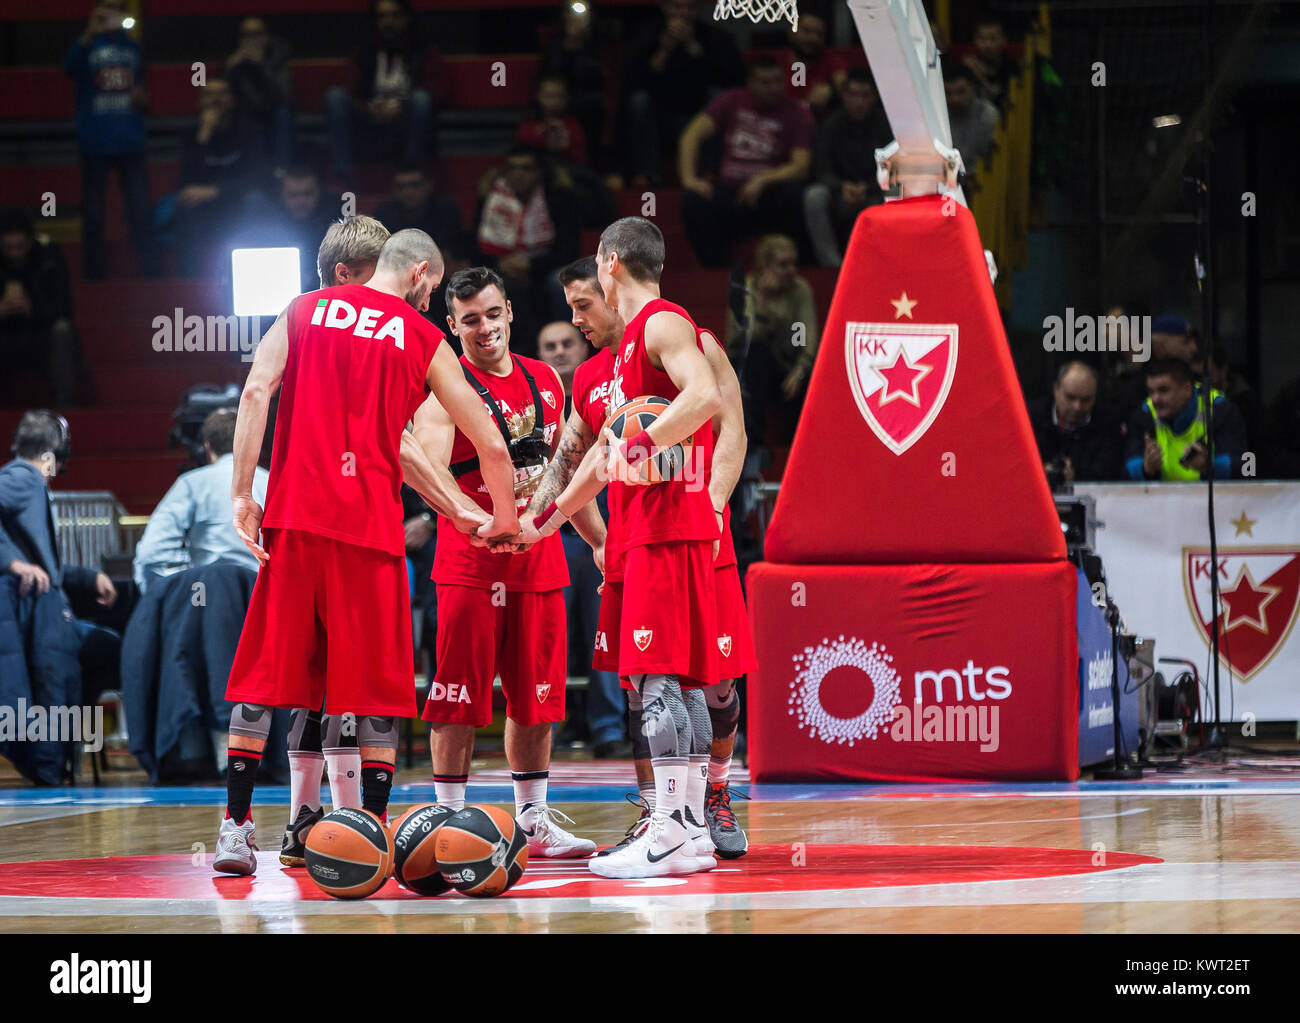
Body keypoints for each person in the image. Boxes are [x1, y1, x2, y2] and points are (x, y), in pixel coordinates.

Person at [213, 229, 518, 875]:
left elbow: (254, 392)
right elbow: (487, 440)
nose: (430, 295)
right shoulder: (418, 333)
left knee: (268, 676)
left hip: (294, 522)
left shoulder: (302, 309)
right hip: (372, 534)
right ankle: (371, 834)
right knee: (374, 690)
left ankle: (236, 831)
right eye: (432, 286)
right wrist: (501, 518)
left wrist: (244, 493)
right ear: (421, 272)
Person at [515, 218, 724, 878]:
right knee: (676, 680)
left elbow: (707, 395)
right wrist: (540, 522)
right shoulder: (622, 350)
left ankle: (663, 830)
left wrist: (641, 444)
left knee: (654, 678)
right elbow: (587, 461)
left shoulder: (661, 322)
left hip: (667, 527)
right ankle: (689, 831)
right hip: (651, 532)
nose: (578, 313)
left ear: (610, 263)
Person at [408, 267, 597, 858]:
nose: (484, 328)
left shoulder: (546, 378)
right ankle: (449, 819)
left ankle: (534, 820)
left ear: (510, 311)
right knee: (458, 696)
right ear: (452, 325)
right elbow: (433, 470)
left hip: (539, 559)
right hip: (471, 559)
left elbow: (563, 472)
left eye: (492, 315)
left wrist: (597, 540)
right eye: (469, 320)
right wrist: (479, 521)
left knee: (538, 695)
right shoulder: (447, 381)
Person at [0, 411, 120, 783]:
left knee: (95, 653)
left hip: (46, 612)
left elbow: (48, 565)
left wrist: (89, 576)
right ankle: (51, 764)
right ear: (52, 456)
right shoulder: (22, 477)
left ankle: (57, 760)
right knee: (72, 668)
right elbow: (33, 564)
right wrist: (13, 564)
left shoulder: (25, 483)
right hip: (42, 616)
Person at [535, 319, 627, 757]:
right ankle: (556, 724)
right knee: (552, 636)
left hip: (604, 530)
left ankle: (608, 729)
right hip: (553, 535)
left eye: (566, 343)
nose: (558, 351)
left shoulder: (611, 386)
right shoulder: (536, 399)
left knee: (602, 632)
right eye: (549, 345)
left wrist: (603, 539)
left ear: (582, 348)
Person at [679, 56, 815, 267]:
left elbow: (801, 166)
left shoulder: (798, 112)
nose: (773, 88)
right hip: (730, 193)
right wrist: (689, 179)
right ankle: (715, 269)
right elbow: (691, 135)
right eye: (765, 83)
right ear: (751, 84)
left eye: (778, 82)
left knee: (795, 194)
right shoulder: (732, 100)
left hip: (770, 196)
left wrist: (763, 180)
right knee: (694, 200)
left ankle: (792, 265)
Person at [63, 0, 160, 278]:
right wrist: (89, 32)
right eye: (107, 8)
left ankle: (151, 275)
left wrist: (142, 100)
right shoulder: (87, 45)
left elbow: (143, 92)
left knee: (140, 209)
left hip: (130, 139)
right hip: (94, 140)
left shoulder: (133, 47)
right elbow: (68, 68)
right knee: (93, 214)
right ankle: (93, 277)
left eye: (118, 8)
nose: (112, 14)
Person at [133, 410, 269, 594]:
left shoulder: (191, 483)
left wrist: (188, 587)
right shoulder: (275, 483)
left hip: (206, 597)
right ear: (256, 445)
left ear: (207, 449)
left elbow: (152, 553)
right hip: (266, 599)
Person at [620, 0, 745, 187]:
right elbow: (634, 82)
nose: (683, 13)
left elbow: (729, 81)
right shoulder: (646, 36)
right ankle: (647, 173)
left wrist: (692, 47)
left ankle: (710, 170)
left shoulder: (715, 37)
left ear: (698, 9)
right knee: (638, 101)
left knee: (718, 96)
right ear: (666, 8)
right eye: (678, 7)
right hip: (659, 116)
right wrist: (664, 50)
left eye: (690, 7)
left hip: (699, 115)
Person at [324, 0, 445, 186]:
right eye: (382, 16)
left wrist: (401, 106)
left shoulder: (424, 51)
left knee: (422, 100)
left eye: (395, 15)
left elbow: (437, 90)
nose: (389, 22)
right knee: (335, 97)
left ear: (407, 18)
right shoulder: (363, 51)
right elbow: (350, 88)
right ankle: (343, 174)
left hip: (406, 122)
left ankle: (411, 173)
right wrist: (369, 108)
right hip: (368, 120)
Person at [475, 147, 580, 354]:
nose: (518, 174)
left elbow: (569, 250)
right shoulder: (491, 196)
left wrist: (530, 265)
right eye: (513, 168)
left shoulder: (557, 197)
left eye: (525, 168)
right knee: (493, 283)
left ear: (538, 172)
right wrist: (501, 264)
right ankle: (508, 354)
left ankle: (567, 345)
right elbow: (476, 246)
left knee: (559, 283)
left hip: (545, 267)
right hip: (501, 266)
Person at [725, 234, 820, 446]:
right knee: (758, 354)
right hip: (749, 366)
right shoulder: (747, 288)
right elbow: (743, 336)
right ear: (765, 266)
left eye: (793, 264)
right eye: (782, 265)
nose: (791, 271)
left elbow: (806, 336)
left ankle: (796, 448)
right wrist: (764, 301)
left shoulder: (800, 290)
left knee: (807, 380)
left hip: (787, 365)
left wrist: (800, 368)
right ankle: (753, 448)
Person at [173, 76, 268, 277]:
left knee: (256, 200)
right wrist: (203, 137)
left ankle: (253, 275)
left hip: (237, 202)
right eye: (209, 94)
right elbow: (187, 181)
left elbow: (258, 177)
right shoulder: (191, 133)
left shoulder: (248, 130)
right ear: (199, 102)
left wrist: (216, 191)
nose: (216, 100)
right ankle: (190, 282)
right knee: (184, 205)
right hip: (206, 208)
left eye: (222, 94)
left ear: (232, 100)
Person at [803, 68, 893, 267]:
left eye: (865, 95)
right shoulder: (831, 124)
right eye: (852, 95)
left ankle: (878, 264)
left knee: (897, 192)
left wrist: (867, 188)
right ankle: (832, 265)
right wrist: (842, 187)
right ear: (843, 95)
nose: (859, 101)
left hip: (875, 192)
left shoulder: (886, 125)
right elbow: (821, 168)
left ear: (875, 97)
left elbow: (894, 168)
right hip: (839, 194)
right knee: (814, 196)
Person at [0, 212, 79, 406]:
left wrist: (33, 309)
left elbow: (64, 307)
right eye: (8, 248)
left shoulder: (49, 258)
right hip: (5, 336)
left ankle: (65, 409)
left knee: (62, 330)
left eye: (19, 247)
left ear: (29, 242)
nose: (14, 254)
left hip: (40, 334)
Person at [1125, 358, 1246, 482]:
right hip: (1163, 499)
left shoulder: (1219, 408)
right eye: (1151, 391)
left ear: (1187, 389)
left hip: (1212, 499)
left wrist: (1209, 467)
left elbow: (1242, 466)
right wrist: (1145, 469)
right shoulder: (1145, 412)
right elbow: (1127, 468)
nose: (1155, 399)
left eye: (1164, 390)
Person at [1027, 361, 1123, 485]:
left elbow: (1111, 474)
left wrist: (1076, 476)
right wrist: (1040, 472)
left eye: (1086, 400)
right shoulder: (1031, 419)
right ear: (1056, 390)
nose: (1077, 406)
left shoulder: (1108, 426)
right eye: (1070, 397)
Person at [538, 1, 607, 171]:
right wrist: (569, 45)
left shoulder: (596, 45)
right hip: (556, 97)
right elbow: (551, 76)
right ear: (565, 16)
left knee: (593, 104)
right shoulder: (555, 44)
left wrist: (580, 47)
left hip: (585, 102)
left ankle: (592, 167)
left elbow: (596, 80)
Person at [226, 16, 294, 173]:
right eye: (246, 35)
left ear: (266, 36)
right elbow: (224, 96)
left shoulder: (279, 55)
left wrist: (261, 66)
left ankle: (280, 172)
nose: (252, 40)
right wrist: (230, 69)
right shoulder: (234, 60)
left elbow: (282, 98)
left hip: (274, 110)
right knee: (243, 118)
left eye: (257, 34)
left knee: (283, 114)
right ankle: (251, 175)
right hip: (246, 112)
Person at [373, 164, 463, 250]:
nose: (407, 192)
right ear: (393, 189)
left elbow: (451, 254)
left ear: (429, 185)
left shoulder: (447, 211)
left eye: (415, 185)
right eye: (401, 187)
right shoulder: (383, 216)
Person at [786, 12, 851, 118]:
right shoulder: (776, 61)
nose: (813, 38)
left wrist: (831, 89)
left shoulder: (831, 61)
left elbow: (844, 83)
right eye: (807, 31)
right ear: (791, 32)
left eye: (819, 34)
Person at [517, 75, 589, 168]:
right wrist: (543, 138)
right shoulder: (528, 123)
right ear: (538, 96)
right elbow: (521, 152)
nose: (555, 101)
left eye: (560, 96)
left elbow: (582, 161)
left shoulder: (573, 125)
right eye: (549, 96)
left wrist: (566, 146)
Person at [944, 64, 998, 178]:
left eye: (960, 92)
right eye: (949, 93)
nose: (955, 99)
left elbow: (994, 160)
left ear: (972, 88)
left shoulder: (988, 116)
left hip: (984, 182)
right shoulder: (940, 116)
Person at [963, 16, 1019, 112]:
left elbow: (1008, 104)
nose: (987, 45)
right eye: (982, 39)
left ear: (1004, 41)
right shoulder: (968, 67)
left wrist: (981, 79)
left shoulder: (1013, 67)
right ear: (975, 41)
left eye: (993, 39)